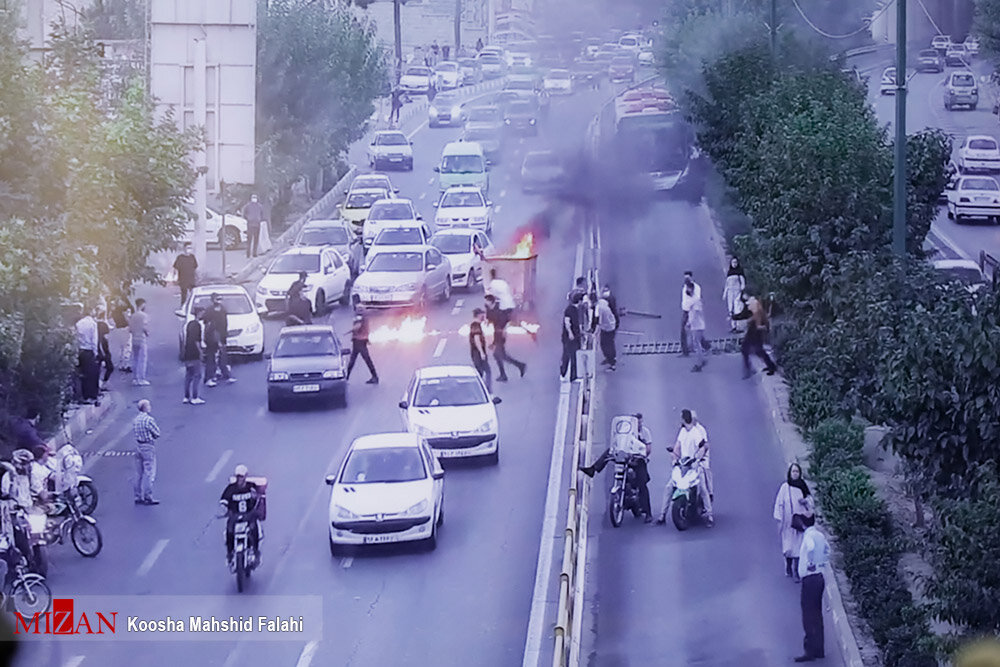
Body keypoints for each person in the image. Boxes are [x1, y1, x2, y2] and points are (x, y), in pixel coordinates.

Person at [579, 414, 653, 522]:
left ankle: (648, 513)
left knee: (642, 484)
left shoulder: (645, 432)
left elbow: (648, 449)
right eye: (637, 423)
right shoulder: (627, 430)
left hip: (638, 460)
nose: (639, 425)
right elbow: (620, 441)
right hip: (626, 457)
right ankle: (593, 469)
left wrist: (641, 453)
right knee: (609, 451)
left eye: (640, 422)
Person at [657, 409, 714, 526]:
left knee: (703, 488)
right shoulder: (682, 431)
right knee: (669, 486)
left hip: (694, 465)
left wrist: (697, 459)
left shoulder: (696, 432)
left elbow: (702, 447)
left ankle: (709, 515)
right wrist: (674, 458)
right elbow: (677, 446)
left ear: (684, 419)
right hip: (683, 465)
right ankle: (662, 515)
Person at [795, 517, 830, 663]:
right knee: (817, 613)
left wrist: (810, 562)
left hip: (809, 579)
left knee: (808, 615)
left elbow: (810, 547)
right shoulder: (820, 535)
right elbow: (828, 549)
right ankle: (819, 649)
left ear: (803, 524)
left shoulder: (808, 536)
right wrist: (822, 562)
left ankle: (809, 651)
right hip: (820, 577)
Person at [773, 463, 815, 582]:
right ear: (790, 473)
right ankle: (788, 567)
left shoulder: (802, 486)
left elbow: (810, 501)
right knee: (788, 548)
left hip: (799, 522)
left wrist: (805, 501)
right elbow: (779, 503)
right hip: (787, 523)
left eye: (797, 471)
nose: (795, 474)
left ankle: (796, 571)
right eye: (793, 471)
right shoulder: (785, 487)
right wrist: (780, 520)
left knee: (798, 548)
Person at [219, 464, 261, 568]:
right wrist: (224, 507)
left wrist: (256, 497)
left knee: (254, 529)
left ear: (245, 476)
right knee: (229, 531)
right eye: (238, 476)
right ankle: (230, 553)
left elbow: (259, 497)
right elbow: (224, 500)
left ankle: (255, 551)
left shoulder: (251, 487)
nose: (239, 479)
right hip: (235, 516)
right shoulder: (231, 488)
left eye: (241, 476)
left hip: (248, 515)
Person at [485, 295, 526, 382]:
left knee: (497, 354)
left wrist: (505, 329)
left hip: (501, 333)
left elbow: (507, 318)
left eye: (487, 301)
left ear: (491, 301)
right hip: (496, 332)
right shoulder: (488, 309)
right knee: (502, 355)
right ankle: (519, 366)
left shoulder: (500, 309)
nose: (486, 303)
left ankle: (505, 374)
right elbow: (489, 318)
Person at [736, 296, 777, 378]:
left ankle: (770, 367)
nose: (748, 306)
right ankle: (769, 366)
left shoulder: (757, 313)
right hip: (752, 333)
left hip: (755, 334)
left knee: (757, 350)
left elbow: (759, 326)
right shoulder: (756, 312)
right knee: (753, 350)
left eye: (749, 305)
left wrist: (762, 327)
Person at [204, 293, 236, 387]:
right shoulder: (209, 311)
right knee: (211, 358)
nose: (219, 301)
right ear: (212, 300)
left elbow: (225, 325)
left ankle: (225, 375)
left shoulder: (223, 309)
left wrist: (224, 338)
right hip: (212, 337)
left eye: (220, 299)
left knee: (223, 357)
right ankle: (209, 378)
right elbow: (207, 324)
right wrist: (212, 337)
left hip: (221, 336)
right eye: (217, 299)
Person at [132, 400, 160, 505]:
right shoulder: (149, 420)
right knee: (149, 473)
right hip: (148, 446)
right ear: (145, 407)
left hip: (138, 446)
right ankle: (148, 496)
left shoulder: (135, 420)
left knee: (138, 473)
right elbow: (157, 433)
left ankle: (137, 496)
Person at [75, 307, 100, 403]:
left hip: (81, 350)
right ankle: (92, 395)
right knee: (92, 374)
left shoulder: (79, 323)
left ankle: (84, 395)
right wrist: (96, 353)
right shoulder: (92, 323)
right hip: (89, 350)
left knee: (83, 374)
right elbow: (94, 340)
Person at [182, 307, 206, 405]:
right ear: (199, 313)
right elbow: (197, 340)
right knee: (197, 375)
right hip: (195, 353)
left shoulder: (189, 324)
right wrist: (200, 352)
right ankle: (195, 397)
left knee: (188, 376)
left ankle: (186, 396)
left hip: (187, 353)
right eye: (202, 313)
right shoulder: (198, 325)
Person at [347, 312, 379, 384]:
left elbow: (357, 326)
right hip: (362, 340)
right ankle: (375, 377)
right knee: (366, 360)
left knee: (354, 360)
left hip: (359, 341)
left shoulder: (359, 316)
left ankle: (346, 377)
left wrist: (352, 330)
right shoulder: (365, 316)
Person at [684, 282, 708, 372]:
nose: (687, 290)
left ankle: (699, 363)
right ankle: (701, 360)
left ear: (692, 289)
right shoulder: (692, 299)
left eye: (688, 288)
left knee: (696, 344)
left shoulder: (696, 300)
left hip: (698, 325)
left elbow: (695, 313)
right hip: (696, 325)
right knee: (696, 344)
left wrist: (689, 323)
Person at [469, 308, 492, 392]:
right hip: (477, 353)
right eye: (482, 315)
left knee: (481, 372)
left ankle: (479, 388)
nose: (484, 316)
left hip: (476, 352)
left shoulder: (476, 325)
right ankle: (486, 389)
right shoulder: (475, 326)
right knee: (486, 371)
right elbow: (477, 339)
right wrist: (481, 352)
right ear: (478, 315)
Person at [129, 298, 151, 386]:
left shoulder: (132, 316)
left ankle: (135, 378)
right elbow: (144, 327)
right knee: (142, 359)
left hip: (134, 339)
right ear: (142, 305)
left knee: (135, 359)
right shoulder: (144, 316)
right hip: (141, 340)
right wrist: (147, 333)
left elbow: (130, 329)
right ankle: (141, 378)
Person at [561, 292, 582, 382]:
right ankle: (572, 376)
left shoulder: (573, 309)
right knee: (572, 356)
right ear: (579, 301)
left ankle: (564, 373)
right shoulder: (570, 310)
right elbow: (567, 322)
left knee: (567, 355)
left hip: (572, 337)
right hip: (571, 337)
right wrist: (570, 333)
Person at [109, 293, 133, 372]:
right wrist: (131, 326)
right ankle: (126, 365)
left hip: (118, 329)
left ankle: (121, 364)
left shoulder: (113, 312)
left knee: (121, 347)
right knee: (127, 346)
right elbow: (127, 319)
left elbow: (110, 319)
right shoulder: (123, 310)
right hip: (125, 328)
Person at [723, 257, 746, 332]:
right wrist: (725, 293)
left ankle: (738, 326)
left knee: (737, 308)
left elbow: (742, 282)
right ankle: (733, 326)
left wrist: (742, 290)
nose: (734, 264)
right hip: (730, 293)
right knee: (730, 309)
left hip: (737, 291)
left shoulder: (739, 272)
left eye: (736, 262)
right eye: (733, 262)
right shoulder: (729, 272)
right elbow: (727, 284)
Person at [595, 293, 617, 370]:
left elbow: (599, 322)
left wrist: (595, 332)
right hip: (611, 324)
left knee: (606, 345)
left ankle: (612, 363)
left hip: (608, 327)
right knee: (609, 343)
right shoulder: (602, 302)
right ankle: (610, 358)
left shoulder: (599, 309)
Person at [95, 307, 114, 389]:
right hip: (104, 349)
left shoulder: (95, 324)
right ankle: (104, 382)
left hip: (97, 348)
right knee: (110, 367)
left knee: (98, 368)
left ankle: (98, 383)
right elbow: (106, 337)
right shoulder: (104, 325)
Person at [242, 195, 265, 259]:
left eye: (255, 198)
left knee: (255, 239)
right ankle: (249, 253)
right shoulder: (248, 206)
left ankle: (253, 253)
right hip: (252, 224)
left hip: (255, 224)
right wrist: (248, 219)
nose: (254, 199)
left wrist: (258, 219)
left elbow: (262, 214)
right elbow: (244, 214)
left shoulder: (259, 206)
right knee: (251, 240)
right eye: (253, 198)